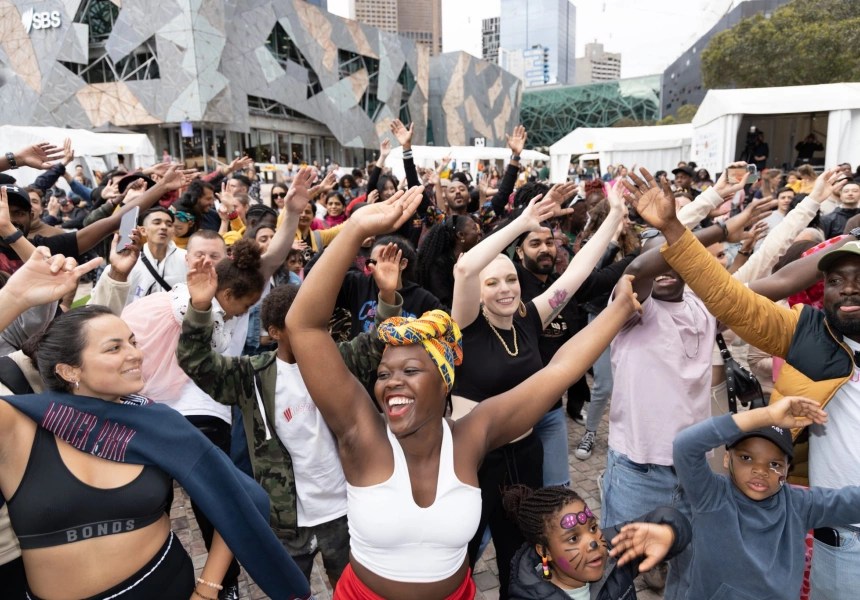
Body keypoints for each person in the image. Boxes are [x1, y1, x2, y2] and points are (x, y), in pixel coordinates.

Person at [285, 186, 641, 600]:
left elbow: (560, 371)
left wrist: (617, 313)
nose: (391, 382)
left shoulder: (473, 436)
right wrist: (355, 229)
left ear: (444, 380)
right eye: (384, 374)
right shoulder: (362, 434)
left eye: (410, 370)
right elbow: (305, 328)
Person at [0, 249, 312, 600]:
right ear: (70, 370)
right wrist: (13, 298)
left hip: (171, 585)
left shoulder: (157, 421)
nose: (136, 353)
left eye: (132, 342)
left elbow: (238, 497)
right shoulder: (20, 427)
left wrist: (208, 588)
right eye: (114, 348)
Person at [625, 164, 860, 600]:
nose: (848, 289)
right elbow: (736, 303)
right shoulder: (808, 332)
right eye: (836, 280)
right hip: (841, 542)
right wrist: (675, 229)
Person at [177, 244, 405, 589]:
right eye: (297, 325)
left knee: (353, 588)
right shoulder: (251, 375)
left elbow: (379, 343)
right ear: (275, 330)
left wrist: (388, 294)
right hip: (286, 520)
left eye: (317, 323)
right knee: (291, 590)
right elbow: (197, 362)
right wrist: (199, 307)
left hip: (345, 510)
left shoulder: (342, 359)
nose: (313, 332)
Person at [451, 183, 626, 597]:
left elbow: (578, 270)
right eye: (492, 283)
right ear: (479, 291)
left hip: (526, 458)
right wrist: (522, 224)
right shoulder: (463, 327)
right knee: (461, 555)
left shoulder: (530, 317)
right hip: (475, 462)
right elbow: (463, 270)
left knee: (522, 558)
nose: (506, 289)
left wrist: (616, 214)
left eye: (511, 279)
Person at [674, 396, 860, 600]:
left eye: (774, 464)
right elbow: (685, 446)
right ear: (727, 459)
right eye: (746, 458)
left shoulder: (800, 504)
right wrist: (767, 415)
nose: (760, 471)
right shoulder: (711, 494)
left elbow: (851, 501)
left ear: (788, 469)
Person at [504, 485, 691, 600]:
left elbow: (665, 518)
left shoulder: (615, 552)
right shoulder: (527, 595)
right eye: (573, 538)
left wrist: (670, 533)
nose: (593, 542)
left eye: (593, 528)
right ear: (545, 552)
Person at [93, 206, 186, 305]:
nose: (163, 227)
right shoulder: (126, 261)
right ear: (142, 231)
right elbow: (98, 302)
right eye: (157, 223)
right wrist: (117, 273)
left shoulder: (187, 259)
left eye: (169, 224)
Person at [416, 214, 483, 308]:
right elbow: (444, 302)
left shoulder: (473, 259)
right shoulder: (439, 266)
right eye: (474, 228)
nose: (479, 233)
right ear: (461, 235)